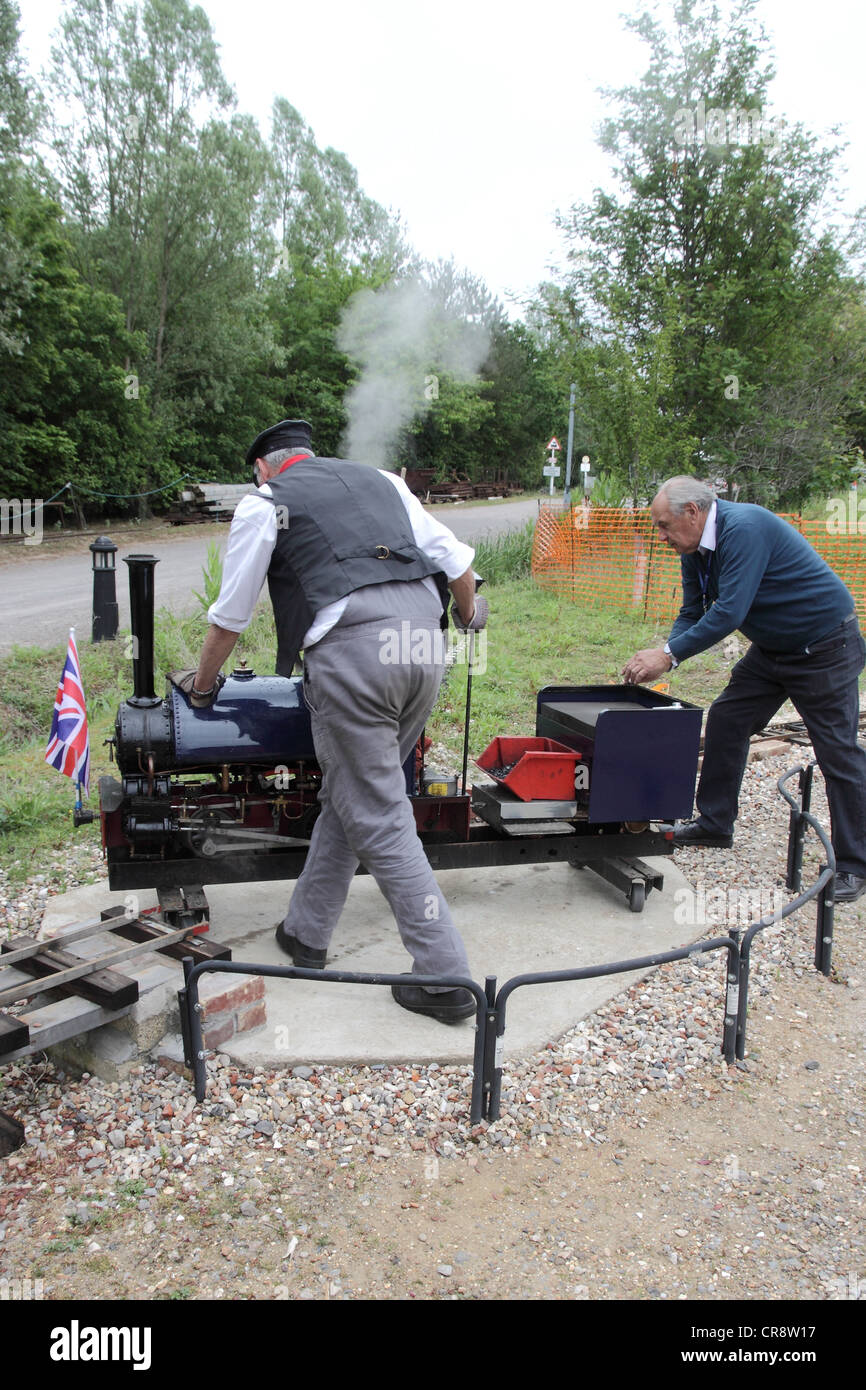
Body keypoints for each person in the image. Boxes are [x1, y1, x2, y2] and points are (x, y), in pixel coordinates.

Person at [171, 419, 487, 1021]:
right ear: (309, 455)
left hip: (356, 656)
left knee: (380, 814)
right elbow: (458, 565)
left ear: (263, 467)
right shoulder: (384, 482)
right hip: (424, 649)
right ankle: (306, 933)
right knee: (354, 794)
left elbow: (231, 615)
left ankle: (445, 976)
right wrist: (469, 619)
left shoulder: (264, 503)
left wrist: (204, 687)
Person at [621, 476, 866, 903]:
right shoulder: (693, 547)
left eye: (663, 525)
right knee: (728, 719)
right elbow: (692, 612)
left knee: (838, 753)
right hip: (775, 648)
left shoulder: (745, 528)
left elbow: (730, 611)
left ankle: (853, 864)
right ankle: (716, 824)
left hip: (825, 645)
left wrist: (669, 655)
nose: (662, 537)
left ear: (693, 513)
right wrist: (669, 649)